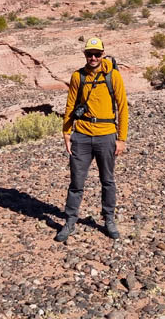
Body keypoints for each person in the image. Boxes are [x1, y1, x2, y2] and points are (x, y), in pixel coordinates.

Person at [55, 37, 129, 242]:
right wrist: (67, 133)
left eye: (97, 54)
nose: (93, 57)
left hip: (106, 135)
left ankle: (109, 219)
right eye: (90, 54)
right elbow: (70, 106)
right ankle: (70, 221)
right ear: (85, 55)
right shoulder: (78, 76)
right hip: (82, 136)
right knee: (76, 182)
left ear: (103, 54)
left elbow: (123, 108)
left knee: (107, 180)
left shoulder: (113, 76)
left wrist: (121, 138)